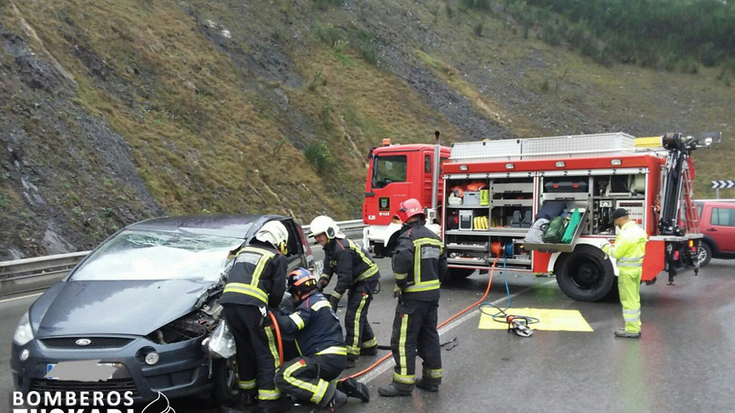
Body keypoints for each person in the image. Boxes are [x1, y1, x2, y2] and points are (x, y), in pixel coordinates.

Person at [274, 268, 370, 412]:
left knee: (283, 376)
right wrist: (282, 312)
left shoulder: (307, 305)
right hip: (336, 358)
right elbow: (296, 316)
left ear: (298, 291)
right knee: (306, 387)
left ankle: (331, 396)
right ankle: (342, 387)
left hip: (323, 358)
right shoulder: (318, 300)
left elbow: (290, 325)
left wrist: (272, 312)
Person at [378, 198, 447, 397]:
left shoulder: (407, 236)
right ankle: (432, 379)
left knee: (404, 340)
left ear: (405, 216)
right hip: (432, 298)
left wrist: (400, 282)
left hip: (412, 299)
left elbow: (403, 261)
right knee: (429, 337)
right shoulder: (434, 237)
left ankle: (403, 383)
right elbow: (443, 267)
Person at [220, 220, 291, 413]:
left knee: (244, 351)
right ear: (279, 239)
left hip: (228, 305)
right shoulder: (276, 257)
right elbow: (277, 293)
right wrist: (273, 309)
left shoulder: (244, 251)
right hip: (253, 308)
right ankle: (270, 401)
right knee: (267, 352)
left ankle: (247, 397)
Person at [309, 216, 381, 368]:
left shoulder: (342, 249)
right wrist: (319, 284)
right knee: (358, 312)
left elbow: (345, 279)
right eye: (316, 236)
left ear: (329, 232)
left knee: (353, 316)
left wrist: (334, 299)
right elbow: (328, 270)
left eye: (320, 235)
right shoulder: (329, 248)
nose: (317, 238)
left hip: (366, 280)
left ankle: (351, 355)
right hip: (357, 280)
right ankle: (369, 346)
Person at [603, 208, 648, 339]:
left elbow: (616, 253)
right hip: (637, 269)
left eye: (615, 221)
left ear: (620, 219)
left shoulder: (626, 234)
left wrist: (605, 246)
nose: (615, 223)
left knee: (628, 301)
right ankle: (634, 326)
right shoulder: (640, 231)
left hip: (626, 271)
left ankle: (632, 330)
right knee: (635, 299)